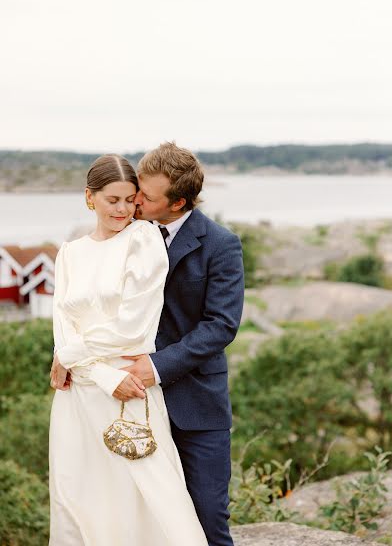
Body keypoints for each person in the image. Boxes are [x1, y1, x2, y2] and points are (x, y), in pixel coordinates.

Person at [49, 154, 207, 546]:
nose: (123, 209)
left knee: (148, 498)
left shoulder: (143, 240)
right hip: (82, 394)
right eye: (112, 200)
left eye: (130, 199)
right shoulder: (69, 252)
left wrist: (68, 357)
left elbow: (132, 326)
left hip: (130, 387)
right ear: (90, 198)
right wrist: (99, 374)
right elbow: (62, 326)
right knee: (79, 495)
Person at [122, 142, 245, 546]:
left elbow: (221, 326)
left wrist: (156, 367)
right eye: (138, 188)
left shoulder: (221, 244)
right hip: (130, 402)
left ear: (177, 203)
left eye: (147, 196)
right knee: (141, 521)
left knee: (208, 520)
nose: (134, 200)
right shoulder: (126, 235)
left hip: (197, 407)